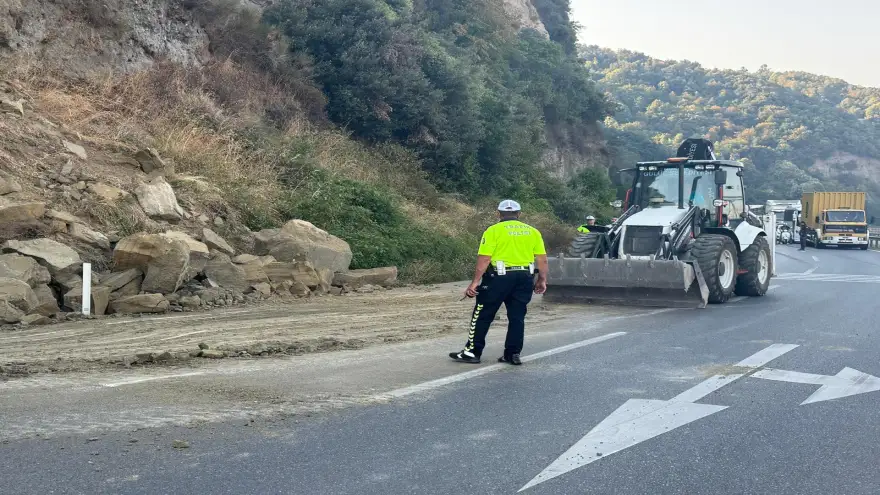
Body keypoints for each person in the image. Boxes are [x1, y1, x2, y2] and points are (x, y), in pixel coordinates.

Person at [449, 200, 548, 366]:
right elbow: (542, 259)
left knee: (482, 314)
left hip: (498, 278)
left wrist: (474, 282)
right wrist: (542, 279)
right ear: (519, 214)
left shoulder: (493, 230)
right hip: (524, 277)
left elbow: (485, 258)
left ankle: (472, 352)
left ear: (499, 214)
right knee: (517, 317)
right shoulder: (532, 232)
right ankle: (512, 354)